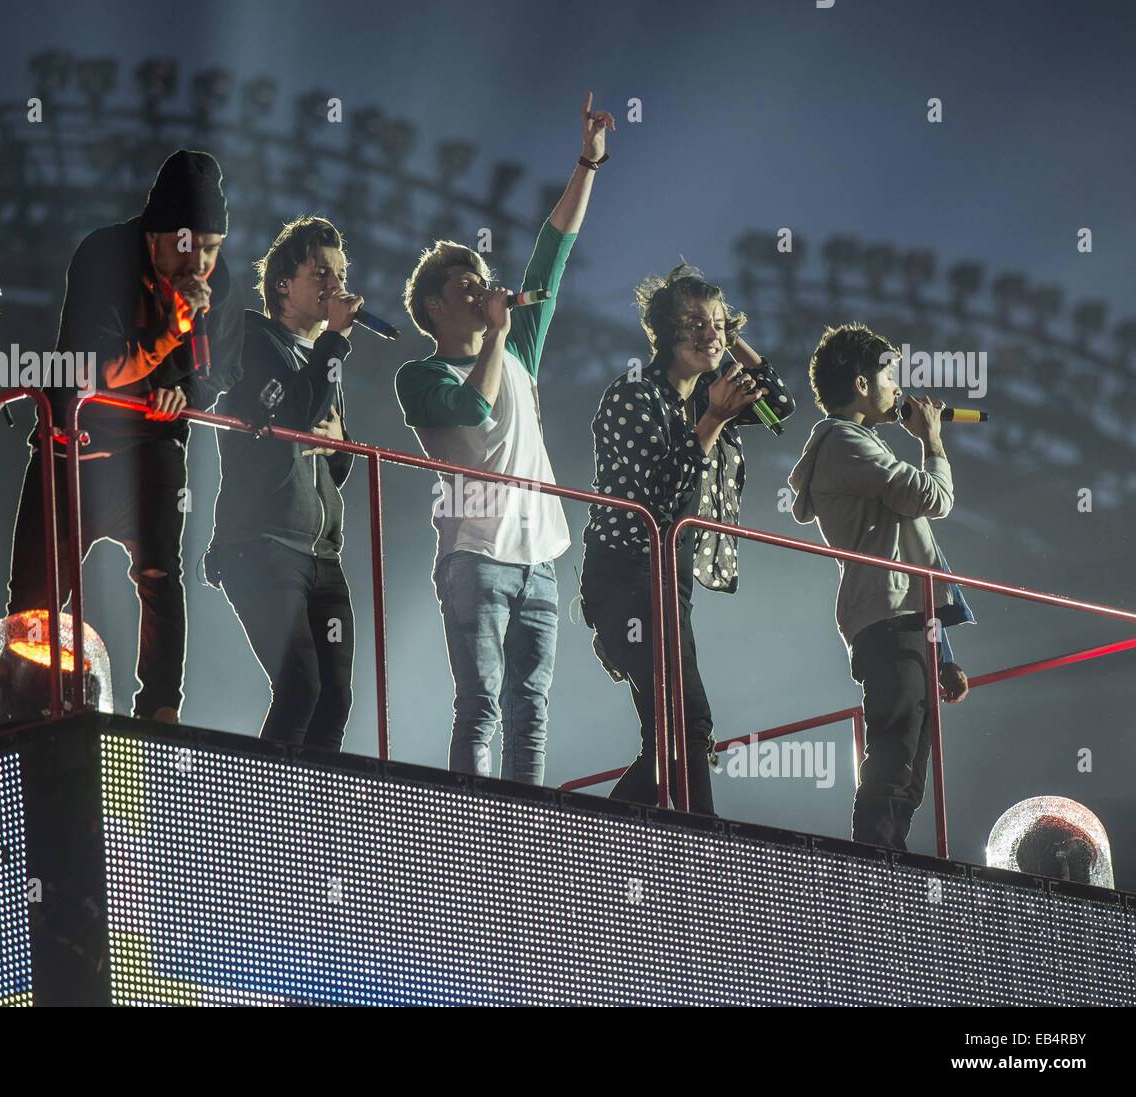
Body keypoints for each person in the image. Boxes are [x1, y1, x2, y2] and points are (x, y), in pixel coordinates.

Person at [394, 93, 614, 784]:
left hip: (539, 556)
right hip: (475, 559)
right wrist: (492, 333)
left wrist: (586, 163)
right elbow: (473, 409)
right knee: (482, 702)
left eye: (484, 283)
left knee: (532, 706)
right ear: (435, 305)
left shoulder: (514, 344)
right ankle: (477, 820)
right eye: (467, 286)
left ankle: (530, 826)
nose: (484, 290)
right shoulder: (421, 373)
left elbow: (553, 253)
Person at [6, 149, 243, 722]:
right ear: (154, 236)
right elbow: (97, 368)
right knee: (37, 595)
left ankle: (160, 710)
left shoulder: (223, 280)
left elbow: (224, 369)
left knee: (161, 576)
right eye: (188, 248)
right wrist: (170, 334)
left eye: (211, 249)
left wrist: (189, 392)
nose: (200, 264)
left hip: (152, 447)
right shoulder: (103, 255)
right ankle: (26, 708)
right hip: (75, 444)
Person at [580, 265, 794, 811]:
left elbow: (779, 408)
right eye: (693, 324)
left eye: (717, 324)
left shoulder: (701, 396)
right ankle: (701, 849)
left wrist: (732, 339)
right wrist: (714, 421)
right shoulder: (633, 395)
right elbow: (657, 496)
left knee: (676, 733)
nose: (708, 334)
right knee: (684, 724)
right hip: (626, 576)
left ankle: (608, 838)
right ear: (662, 333)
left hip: (668, 581)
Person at [788, 323, 973, 850]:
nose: (898, 386)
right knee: (894, 752)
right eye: (889, 373)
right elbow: (932, 498)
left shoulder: (863, 444)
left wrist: (944, 655)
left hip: (908, 619)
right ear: (862, 384)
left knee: (911, 764)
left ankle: (891, 863)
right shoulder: (845, 443)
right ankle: (873, 871)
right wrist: (932, 440)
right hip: (886, 621)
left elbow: (916, 556)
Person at [204, 216, 364, 748]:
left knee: (336, 699)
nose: (335, 285)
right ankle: (266, 818)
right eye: (321, 273)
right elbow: (293, 415)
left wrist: (342, 439)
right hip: (263, 544)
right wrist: (335, 341)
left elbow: (336, 467)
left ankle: (316, 823)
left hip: (323, 554)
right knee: (300, 686)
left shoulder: (324, 359)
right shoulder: (253, 342)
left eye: (340, 273)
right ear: (282, 284)